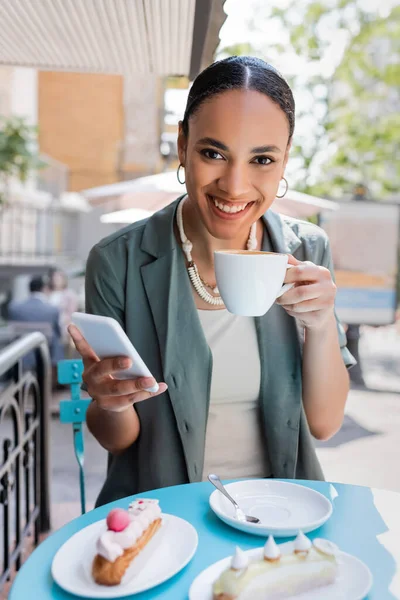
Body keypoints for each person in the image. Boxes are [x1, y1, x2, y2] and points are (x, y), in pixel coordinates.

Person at [68, 56, 355, 507]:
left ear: (284, 162)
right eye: (213, 153)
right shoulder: (116, 261)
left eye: (262, 159)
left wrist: (320, 325)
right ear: (182, 145)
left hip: (277, 512)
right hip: (164, 519)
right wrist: (108, 402)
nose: (236, 186)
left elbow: (324, 424)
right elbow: (118, 441)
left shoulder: (308, 252)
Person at [8, 275, 64, 366]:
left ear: (29, 288)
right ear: (44, 288)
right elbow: (59, 334)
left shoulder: (14, 308)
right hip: (45, 359)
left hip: (21, 357)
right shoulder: (52, 310)